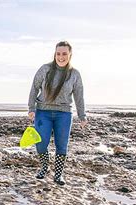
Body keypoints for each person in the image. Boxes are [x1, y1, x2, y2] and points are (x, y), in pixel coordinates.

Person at [27, 41, 87, 185]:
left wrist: (82, 115)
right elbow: (34, 88)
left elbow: (79, 96)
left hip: (64, 114)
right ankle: (44, 167)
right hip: (43, 112)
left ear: (70, 55)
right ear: (55, 54)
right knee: (41, 143)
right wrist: (31, 108)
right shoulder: (45, 69)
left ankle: (58, 175)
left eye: (64, 54)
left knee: (62, 145)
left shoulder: (74, 74)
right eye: (58, 53)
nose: (61, 57)